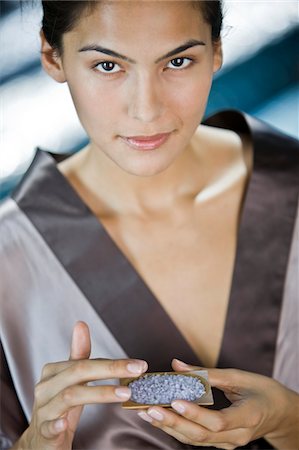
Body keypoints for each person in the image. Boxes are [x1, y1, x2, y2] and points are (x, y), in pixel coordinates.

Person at [0, 1, 298, 449]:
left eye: (178, 61)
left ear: (216, 50)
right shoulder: (9, 260)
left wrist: (289, 420)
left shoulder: (291, 187)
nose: (146, 109)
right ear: (51, 55)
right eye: (107, 65)